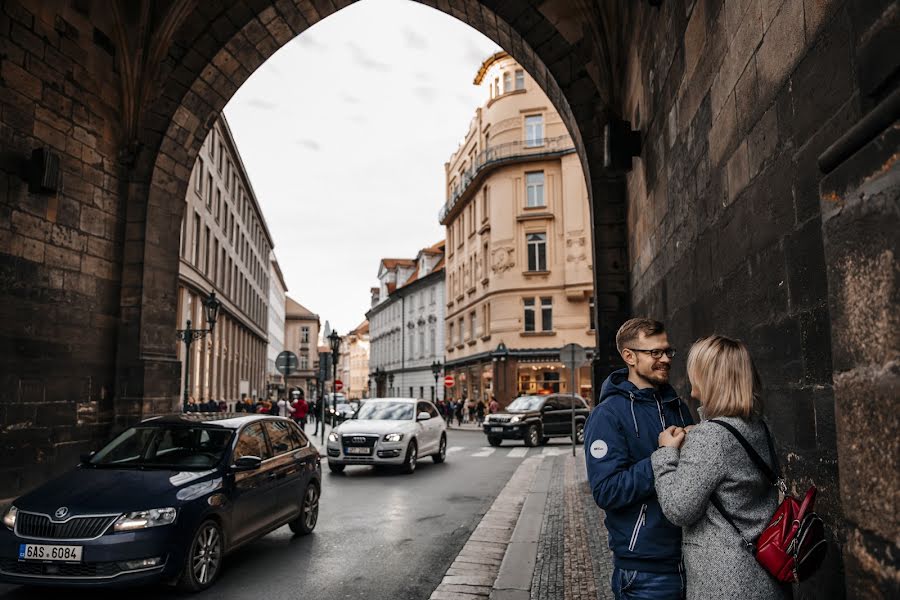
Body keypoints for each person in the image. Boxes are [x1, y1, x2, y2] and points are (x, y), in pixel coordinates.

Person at [652, 336, 786, 600]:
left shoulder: (711, 437)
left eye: (695, 369)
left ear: (709, 378)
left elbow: (678, 510)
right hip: (764, 575)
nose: (691, 376)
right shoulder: (758, 425)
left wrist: (665, 453)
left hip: (726, 581)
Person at [583, 318, 693, 600]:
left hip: (694, 558)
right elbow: (606, 491)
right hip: (645, 572)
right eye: (654, 353)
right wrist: (664, 456)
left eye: (668, 351)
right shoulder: (607, 415)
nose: (665, 359)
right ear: (629, 356)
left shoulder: (677, 406)